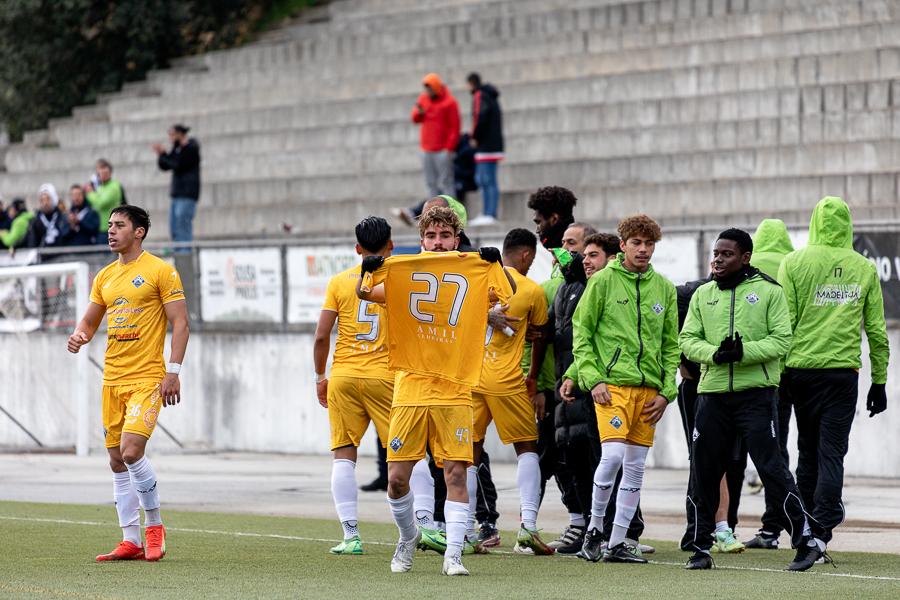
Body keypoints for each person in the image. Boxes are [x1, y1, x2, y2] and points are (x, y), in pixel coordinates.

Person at [356, 206, 513, 576]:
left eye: (445, 237)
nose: (438, 243)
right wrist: (372, 266)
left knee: (456, 473)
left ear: (456, 240)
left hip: (456, 388)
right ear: (422, 241)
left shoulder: (473, 269)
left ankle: (454, 554)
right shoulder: (403, 272)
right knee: (396, 480)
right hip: (410, 386)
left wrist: (495, 264)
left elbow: (505, 294)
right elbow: (365, 293)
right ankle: (408, 537)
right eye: (431, 236)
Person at [679, 228, 819, 571]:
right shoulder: (702, 294)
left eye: (727, 254)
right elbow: (687, 339)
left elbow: (782, 340)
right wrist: (715, 355)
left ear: (745, 257)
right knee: (704, 470)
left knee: (772, 468)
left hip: (755, 397)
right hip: (711, 396)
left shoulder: (769, 291)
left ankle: (805, 541)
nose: (718, 259)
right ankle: (701, 546)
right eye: (716, 253)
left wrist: (742, 353)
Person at [66, 205, 189, 563]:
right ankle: (130, 539)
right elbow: (89, 322)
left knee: (133, 451)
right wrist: (79, 335)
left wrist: (174, 370)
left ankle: (154, 527)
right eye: (109, 226)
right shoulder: (104, 276)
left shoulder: (160, 271)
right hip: (112, 379)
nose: (111, 231)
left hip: (147, 377)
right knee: (117, 461)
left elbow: (180, 323)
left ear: (140, 232)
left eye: (119, 225)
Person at [778, 196, 889, 559]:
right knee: (831, 455)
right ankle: (822, 529)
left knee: (806, 451)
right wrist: (880, 381)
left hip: (799, 373)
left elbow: (784, 324)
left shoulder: (793, 263)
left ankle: (807, 528)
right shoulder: (864, 267)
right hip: (842, 375)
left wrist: (778, 376)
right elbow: (875, 330)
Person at [566, 214, 679, 563]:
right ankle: (594, 530)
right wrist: (594, 379)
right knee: (613, 457)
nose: (643, 250)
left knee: (635, 467)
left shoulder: (664, 287)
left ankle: (617, 541)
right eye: (636, 243)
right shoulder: (602, 283)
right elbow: (581, 333)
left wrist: (666, 392)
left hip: (649, 392)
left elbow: (671, 344)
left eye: (649, 244)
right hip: (613, 387)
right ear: (623, 245)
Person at [553, 233, 649, 556]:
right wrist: (575, 376)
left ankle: (622, 534)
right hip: (594, 387)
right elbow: (584, 340)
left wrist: (665, 389)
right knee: (598, 459)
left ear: (611, 255)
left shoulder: (642, 286)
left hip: (621, 387)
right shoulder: (575, 287)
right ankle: (597, 531)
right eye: (583, 254)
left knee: (619, 461)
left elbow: (655, 340)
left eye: (590, 254)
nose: (582, 259)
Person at [313, 216, 395, 555]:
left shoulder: (339, 282)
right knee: (407, 454)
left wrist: (320, 377)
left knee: (344, 456)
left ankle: (351, 536)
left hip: (344, 376)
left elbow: (321, 336)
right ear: (391, 244)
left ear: (358, 248)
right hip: (386, 376)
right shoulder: (403, 280)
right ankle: (425, 525)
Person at [470, 228, 553, 555]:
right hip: (507, 378)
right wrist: (533, 376)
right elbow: (542, 335)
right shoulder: (531, 289)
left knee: (469, 452)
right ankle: (528, 527)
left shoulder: (477, 281)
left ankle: (465, 530)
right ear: (527, 255)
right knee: (527, 448)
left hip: (472, 377)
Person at [741, 218, 796, 549]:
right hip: (796, 369)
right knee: (793, 452)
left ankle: (768, 529)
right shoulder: (794, 264)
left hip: (760, 372)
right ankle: (799, 525)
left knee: (768, 452)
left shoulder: (751, 266)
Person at [412, 73, 460, 200]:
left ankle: (452, 214)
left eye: (430, 88)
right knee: (430, 183)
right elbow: (415, 118)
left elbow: (455, 127)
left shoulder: (450, 102)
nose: (428, 91)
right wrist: (419, 111)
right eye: (426, 88)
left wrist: (449, 148)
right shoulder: (423, 99)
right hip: (426, 149)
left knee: (446, 182)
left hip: (442, 150)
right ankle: (433, 214)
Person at [153, 124, 201, 250]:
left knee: (183, 228)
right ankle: (179, 257)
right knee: (174, 229)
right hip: (177, 195)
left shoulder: (190, 148)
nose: (170, 138)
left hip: (187, 195)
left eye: (173, 134)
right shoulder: (177, 149)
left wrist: (165, 156)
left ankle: (185, 258)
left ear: (180, 134)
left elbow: (177, 164)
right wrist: (161, 155)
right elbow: (165, 165)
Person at [466, 73, 504, 225]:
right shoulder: (490, 96)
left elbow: (478, 117)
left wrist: (475, 136)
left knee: (486, 180)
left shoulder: (480, 95)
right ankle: (488, 212)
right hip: (493, 144)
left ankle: (489, 213)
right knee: (486, 179)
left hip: (486, 145)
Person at [85, 158, 124, 245]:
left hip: (110, 227)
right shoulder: (101, 187)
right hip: (100, 227)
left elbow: (101, 203)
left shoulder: (114, 186)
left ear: (110, 173)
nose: (102, 175)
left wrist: (90, 193)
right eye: (100, 173)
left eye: (105, 173)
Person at [26, 183, 69, 248]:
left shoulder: (62, 217)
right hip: (43, 256)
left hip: (61, 255)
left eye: (48, 199)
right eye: (42, 200)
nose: (45, 203)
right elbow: (31, 241)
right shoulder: (36, 220)